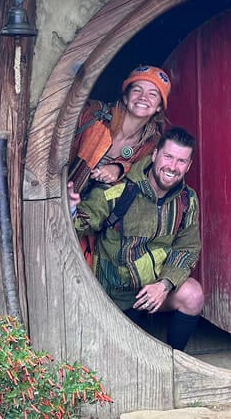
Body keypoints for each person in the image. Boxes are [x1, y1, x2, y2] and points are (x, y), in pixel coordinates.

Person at [68, 126, 204, 351]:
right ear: (155, 155)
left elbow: (187, 249)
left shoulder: (186, 199)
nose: (172, 166)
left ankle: (175, 359)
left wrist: (164, 285)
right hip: (112, 296)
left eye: (181, 161)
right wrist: (70, 210)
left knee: (193, 295)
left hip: (153, 294)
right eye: (168, 156)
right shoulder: (118, 191)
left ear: (188, 166)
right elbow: (80, 225)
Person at [68, 64, 171, 189]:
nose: (143, 97)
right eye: (137, 90)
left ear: (159, 107)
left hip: (95, 208)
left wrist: (120, 168)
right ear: (126, 97)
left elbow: (141, 183)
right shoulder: (91, 114)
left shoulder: (152, 146)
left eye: (152, 94)